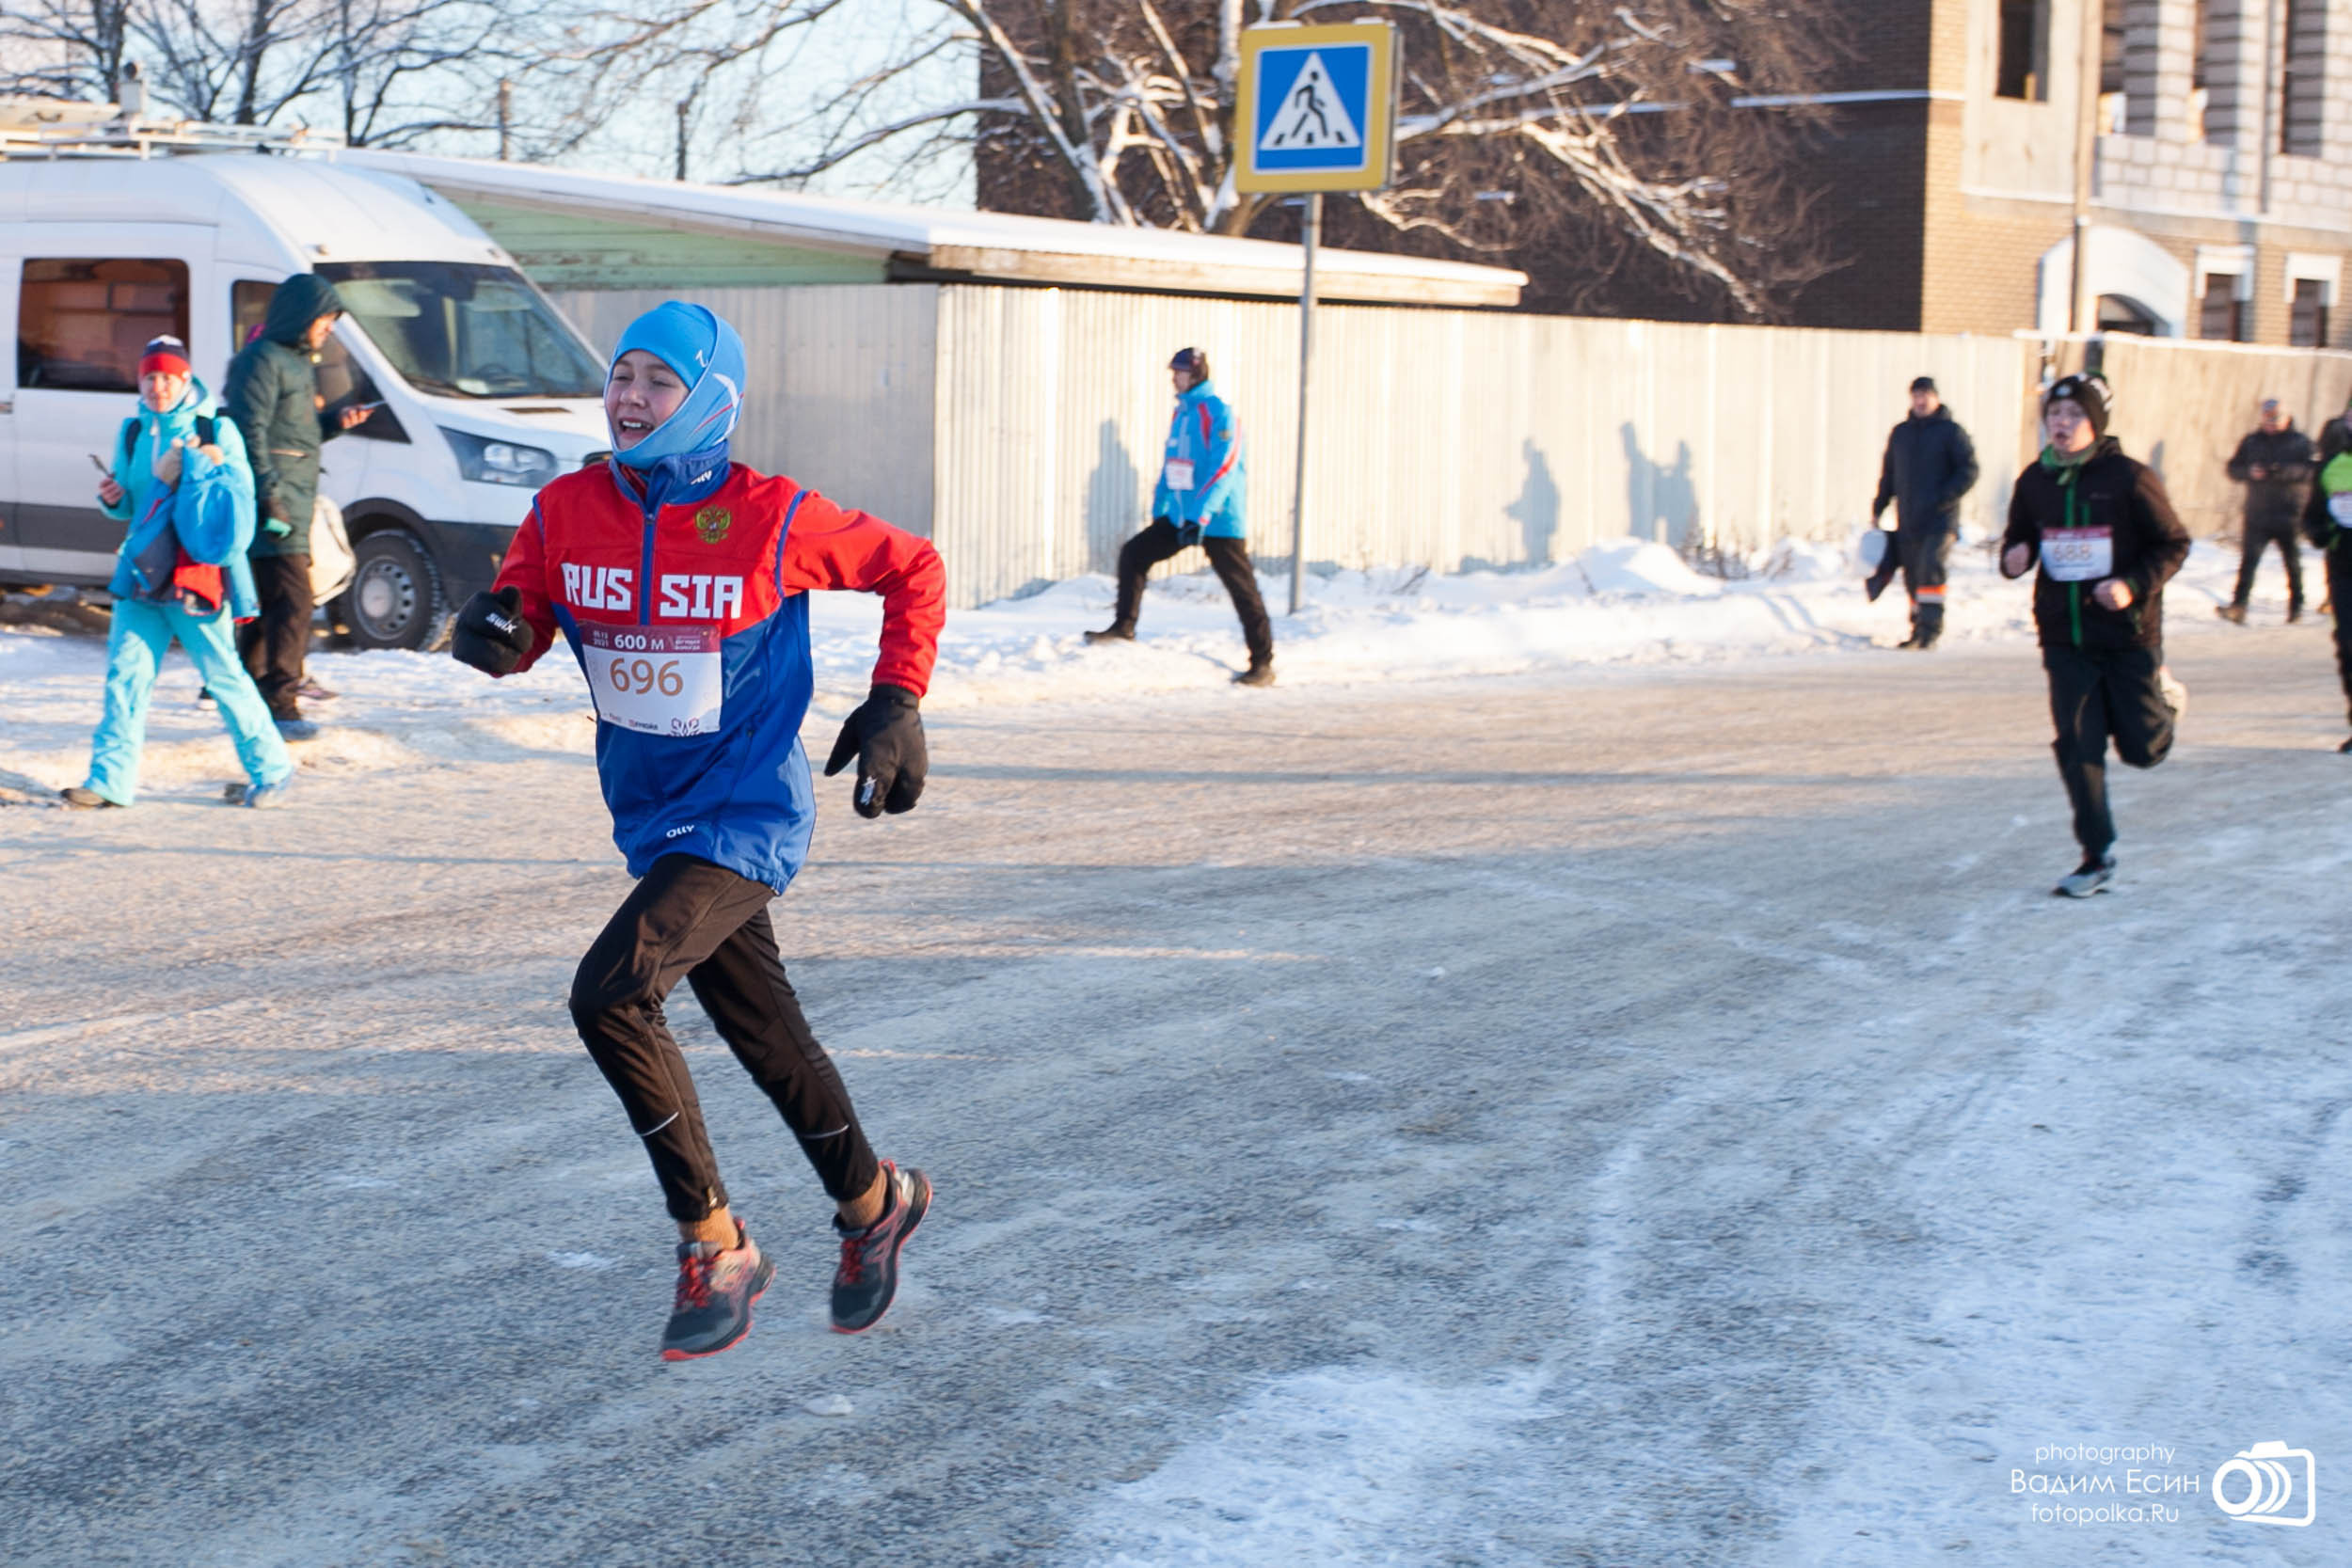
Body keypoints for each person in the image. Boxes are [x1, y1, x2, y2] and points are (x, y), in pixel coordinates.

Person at [450, 302, 945, 1360]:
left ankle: (716, 1243)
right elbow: (523, 619)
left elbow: (913, 566)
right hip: (650, 815)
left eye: (657, 381)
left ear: (711, 398)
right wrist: (495, 632)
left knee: (612, 993)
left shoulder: (771, 514)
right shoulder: (564, 508)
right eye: (621, 374)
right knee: (765, 1032)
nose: (629, 398)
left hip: (744, 811)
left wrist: (896, 698)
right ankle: (875, 1202)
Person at [60, 338, 294, 811]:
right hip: (143, 572)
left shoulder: (216, 428)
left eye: (167, 377)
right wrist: (111, 499)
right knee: (125, 677)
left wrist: (202, 467)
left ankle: (272, 770)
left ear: (186, 379)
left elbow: (239, 504)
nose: (158, 387)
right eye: (149, 377)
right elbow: (131, 504)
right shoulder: (132, 430)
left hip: (194, 574)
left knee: (222, 675)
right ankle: (109, 782)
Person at [2000, 372, 2191, 897]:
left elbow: (2174, 543)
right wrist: (2014, 556)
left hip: (2127, 633)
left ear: (2095, 423)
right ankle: (2096, 854)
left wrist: (2131, 586)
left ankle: (2165, 703)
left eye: (2073, 415)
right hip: (2065, 636)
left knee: (2142, 750)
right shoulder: (2034, 480)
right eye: (2054, 415)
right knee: (2076, 744)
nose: (2061, 424)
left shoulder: (2129, 477)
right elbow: (2019, 538)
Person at [223, 273, 370, 739]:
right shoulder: (261, 360)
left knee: (270, 603)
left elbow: (292, 434)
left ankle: (249, 695)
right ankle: (281, 702)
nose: (328, 329)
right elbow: (248, 431)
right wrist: (269, 495)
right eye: (325, 319)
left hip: (292, 500)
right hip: (274, 502)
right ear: (302, 315)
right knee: (293, 603)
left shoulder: (296, 363)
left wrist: (334, 422)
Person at [1086, 348, 1275, 686]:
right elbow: (1173, 464)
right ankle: (1123, 626)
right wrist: (1161, 507)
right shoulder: (1182, 414)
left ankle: (1262, 662)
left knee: (1242, 589)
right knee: (1134, 553)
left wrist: (1201, 514)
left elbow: (1224, 467)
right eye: (1174, 371)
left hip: (1218, 519)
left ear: (1197, 373)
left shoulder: (1219, 413)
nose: (1175, 378)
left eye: (1181, 372)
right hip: (1181, 516)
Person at [1864, 375, 1979, 649]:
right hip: (1909, 519)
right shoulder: (1901, 433)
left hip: (1940, 519)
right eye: (1916, 395)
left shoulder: (1951, 432)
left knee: (1930, 570)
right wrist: (1879, 506)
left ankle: (1930, 631)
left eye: (1926, 395)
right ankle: (1917, 629)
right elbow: (1889, 474)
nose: (1921, 400)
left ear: (1936, 398)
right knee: (1913, 575)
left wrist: (1945, 497)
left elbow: (1969, 470)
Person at [2217, 398, 2316, 624]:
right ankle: (2239, 606)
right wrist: (2249, 472)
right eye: (2267, 418)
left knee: (2292, 562)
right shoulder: (2252, 441)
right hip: (2257, 513)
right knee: (2249, 561)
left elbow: (2311, 471)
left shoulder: (2301, 442)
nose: (2270, 423)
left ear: (2287, 418)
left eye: (2275, 418)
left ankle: (2296, 607)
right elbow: (2233, 468)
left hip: (2289, 512)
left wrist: (2279, 471)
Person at [2298, 410, 2352, 751]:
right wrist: (2320, 531)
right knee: (2348, 646)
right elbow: (2313, 515)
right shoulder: (2331, 466)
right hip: (2344, 567)